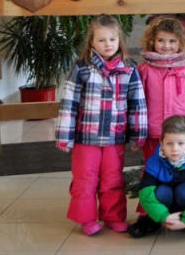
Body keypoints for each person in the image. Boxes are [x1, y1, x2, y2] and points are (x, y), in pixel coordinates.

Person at [56, 14, 147, 236]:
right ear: (92, 42)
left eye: (112, 39)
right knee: (85, 179)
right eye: (101, 40)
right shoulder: (82, 68)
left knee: (113, 179)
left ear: (119, 41)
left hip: (115, 137)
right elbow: (69, 103)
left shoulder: (129, 68)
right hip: (86, 138)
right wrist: (64, 136)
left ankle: (113, 217)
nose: (107, 44)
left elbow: (137, 103)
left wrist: (138, 134)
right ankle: (86, 219)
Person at [138, 16, 185, 161]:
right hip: (154, 131)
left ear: (180, 43)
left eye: (172, 41)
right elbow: (137, 103)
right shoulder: (145, 69)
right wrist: (137, 130)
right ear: (152, 41)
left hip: (181, 132)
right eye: (161, 40)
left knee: (181, 165)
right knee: (154, 165)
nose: (166, 46)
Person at [128, 115, 185, 237]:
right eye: (169, 143)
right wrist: (163, 216)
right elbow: (145, 194)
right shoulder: (154, 163)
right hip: (165, 202)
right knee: (161, 192)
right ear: (161, 143)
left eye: (180, 143)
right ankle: (152, 220)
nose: (175, 149)